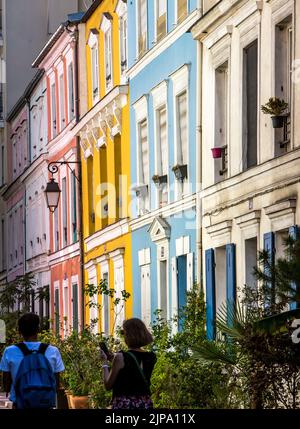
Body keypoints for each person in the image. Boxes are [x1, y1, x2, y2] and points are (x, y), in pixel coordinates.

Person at [0, 313, 65, 409]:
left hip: (20, 403)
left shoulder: (9, 351)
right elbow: (56, 382)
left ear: (19, 331)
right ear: (38, 330)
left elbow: (6, 382)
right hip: (45, 403)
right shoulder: (53, 351)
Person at [100, 318, 157, 409]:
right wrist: (114, 359)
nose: (123, 335)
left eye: (123, 332)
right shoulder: (151, 357)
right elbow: (134, 368)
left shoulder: (120, 357)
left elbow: (108, 385)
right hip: (145, 404)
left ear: (129, 335)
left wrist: (105, 362)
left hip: (125, 404)